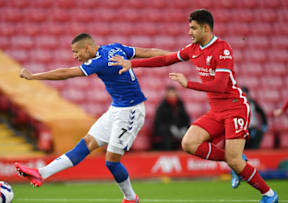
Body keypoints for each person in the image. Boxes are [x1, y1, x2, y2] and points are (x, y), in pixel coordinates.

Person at [110, 9, 278, 203]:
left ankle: (269, 195)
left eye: (193, 28)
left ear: (206, 28)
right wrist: (133, 64)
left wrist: (187, 83)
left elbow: (220, 85)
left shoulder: (223, 49)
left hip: (235, 108)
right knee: (188, 144)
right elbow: (166, 59)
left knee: (235, 159)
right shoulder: (193, 49)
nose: (189, 32)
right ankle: (236, 162)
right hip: (216, 111)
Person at [14, 33, 171, 203]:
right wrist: (176, 55)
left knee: (111, 162)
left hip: (131, 111)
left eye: (76, 52)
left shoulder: (99, 62)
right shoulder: (115, 48)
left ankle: (131, 198)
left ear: (87, 48)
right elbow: (147, 52)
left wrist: (34, 76)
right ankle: (41, 173)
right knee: (87, 143)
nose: (75, 56)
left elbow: (65, 73)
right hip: (116, 108)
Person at [152, 86, 190, 150]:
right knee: (165, 132)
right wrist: (170, 128)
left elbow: (186, 118)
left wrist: (184, 128)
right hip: (167, 128)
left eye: (173, 93)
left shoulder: (180, 104)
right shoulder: (162, 106)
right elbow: (158, 122)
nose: (172, 95)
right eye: (170, 93)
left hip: (180, 128)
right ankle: (168, 151)